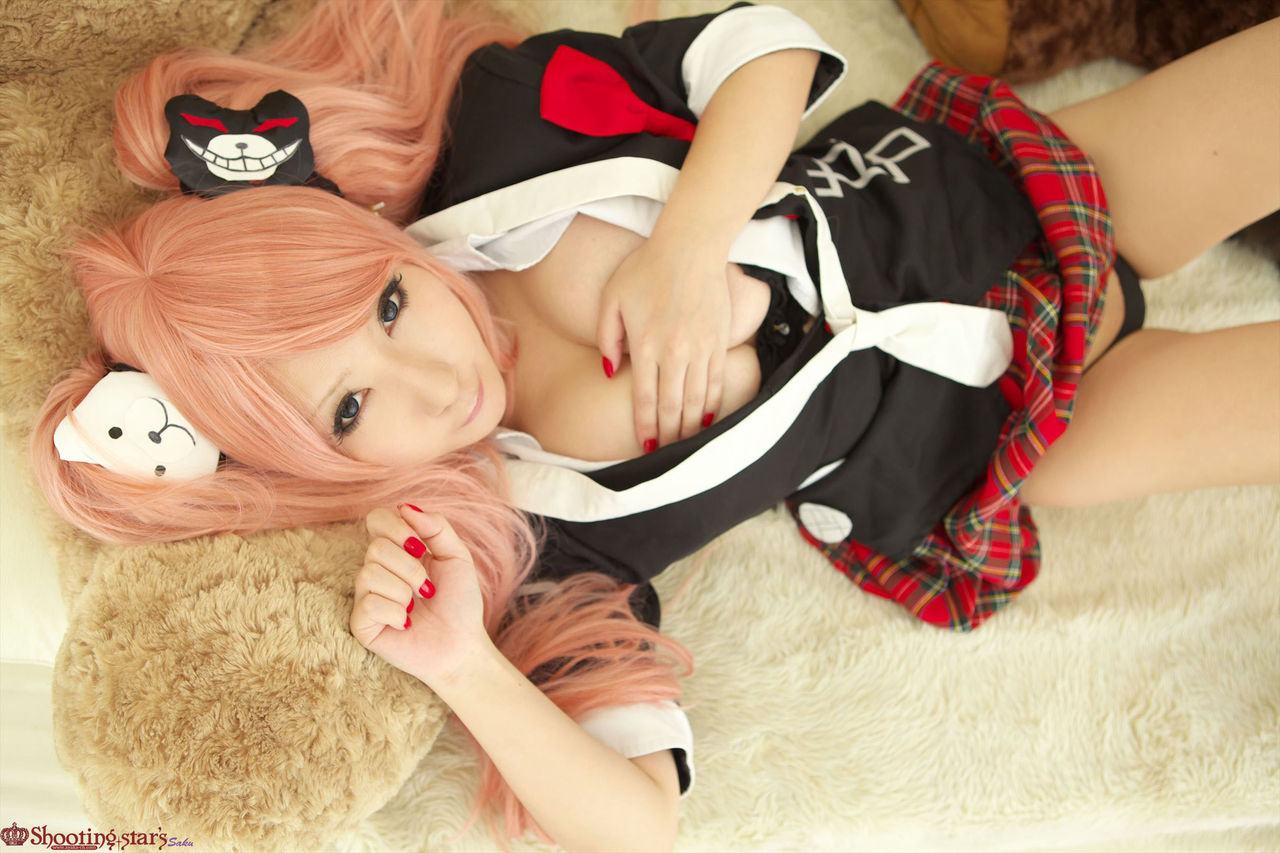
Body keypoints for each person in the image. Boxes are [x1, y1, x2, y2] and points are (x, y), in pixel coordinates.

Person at [26, 0, 1280, 849]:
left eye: (389, 302)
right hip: (1014, 435)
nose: (433, 380)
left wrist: (687, 244)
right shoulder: (535, 538)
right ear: (306, 466)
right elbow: (635, 823)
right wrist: (461, 663)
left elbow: (759, 43)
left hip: (999, 185)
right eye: (349, 409)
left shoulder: (503, 130)